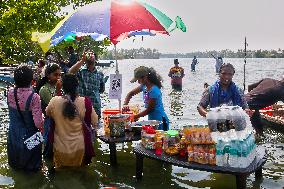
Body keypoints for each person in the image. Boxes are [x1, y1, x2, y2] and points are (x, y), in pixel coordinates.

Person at [46, 74, 98, 168]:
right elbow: (95, 121)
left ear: (62, 86)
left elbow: (48, 113)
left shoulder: (54, 101)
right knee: (80, 175)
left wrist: (58, 92)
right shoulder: (85, 102)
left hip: (60, 147)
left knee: (61, 175)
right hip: (80, 147)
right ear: (77, 86)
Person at [7, 64, 43, 171]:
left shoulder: (9, 92)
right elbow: (38, 123)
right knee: (33, 169)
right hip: (30, 138)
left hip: (13, 136)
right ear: (32, 81)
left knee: (16, 166)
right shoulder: (34, 97)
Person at [123, 66, 169, 130]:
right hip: (152, 119)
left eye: (139, 80)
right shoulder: (144, 86)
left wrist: (134, 116)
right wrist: (125, 105)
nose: (138, 82)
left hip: (160, 120)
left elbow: (150, 109)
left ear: (145, 77)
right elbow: (131, 94)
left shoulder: (154, 90)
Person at [69, 51, 105, 119]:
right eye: (88, 54)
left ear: (95, 59)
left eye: (92, 54)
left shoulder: (100, 74)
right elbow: (70, 72)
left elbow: (102, 90)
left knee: (95, 128)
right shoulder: (80, 71)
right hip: (82, 108)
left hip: (96, 108)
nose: (90, 55)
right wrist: (82, 61)